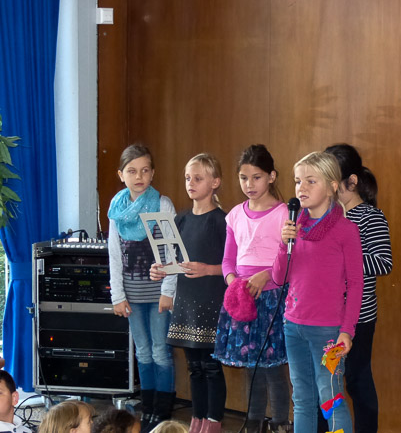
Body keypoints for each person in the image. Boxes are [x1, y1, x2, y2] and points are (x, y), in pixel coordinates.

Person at [275, 151, 364, 433]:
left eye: (310, 181)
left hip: (327, 332)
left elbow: (356, 284)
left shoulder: (345, 230)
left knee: (331, 398)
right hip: (293, 326)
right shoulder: (294, 227)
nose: (301, 188)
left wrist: (346, 331)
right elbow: (278, 277)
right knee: (302, 399)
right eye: (297, 181)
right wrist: (284, 243)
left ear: (332, 186)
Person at [213, 144, 291, 433]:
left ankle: (280, 423)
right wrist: (234, 283)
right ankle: (253, 422)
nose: (249, 184)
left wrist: (266, 277)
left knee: (273, 367)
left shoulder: (283, 214)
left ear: (271, 176)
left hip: (272, 298)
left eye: (256, 177)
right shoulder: (235, 215)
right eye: (243, 178)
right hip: (243, 298)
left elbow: (290, 262)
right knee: (251, 366)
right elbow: (227, 261)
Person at [150, 154, 227, 433]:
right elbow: (174, 260)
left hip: (211, 300)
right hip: (187, 302)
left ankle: (214, 421)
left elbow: (235, 266)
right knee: (194, 367)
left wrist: (208, 269)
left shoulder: (222, 221)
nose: (190, 183)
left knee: (211, 367)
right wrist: (161, 270)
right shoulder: (180, 218)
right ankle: (197, 419)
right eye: (187, 178)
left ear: (215, 182)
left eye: (198, 178)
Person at [320, 144, 393, 433]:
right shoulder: (326, 217)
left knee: (357, 381)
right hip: (326, 317)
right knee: (326, 382)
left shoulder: (369, 216)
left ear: (351, 181)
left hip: (359, 318)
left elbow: (383, 262)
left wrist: (344, 256)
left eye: (333, 182)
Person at [108, 144, 177, 432]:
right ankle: (148, 408)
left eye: (145, 170)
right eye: (132, 171)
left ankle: (162, 411)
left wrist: (168, 291)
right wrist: (117, 296)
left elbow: (172, 251)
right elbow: (114, 255)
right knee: (143, 353)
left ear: (152, 173)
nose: (139, 177)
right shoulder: (116, 209)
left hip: (158, 294)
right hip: (132, 295)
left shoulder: (162, 204)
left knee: (161, 352)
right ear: (121, 175)